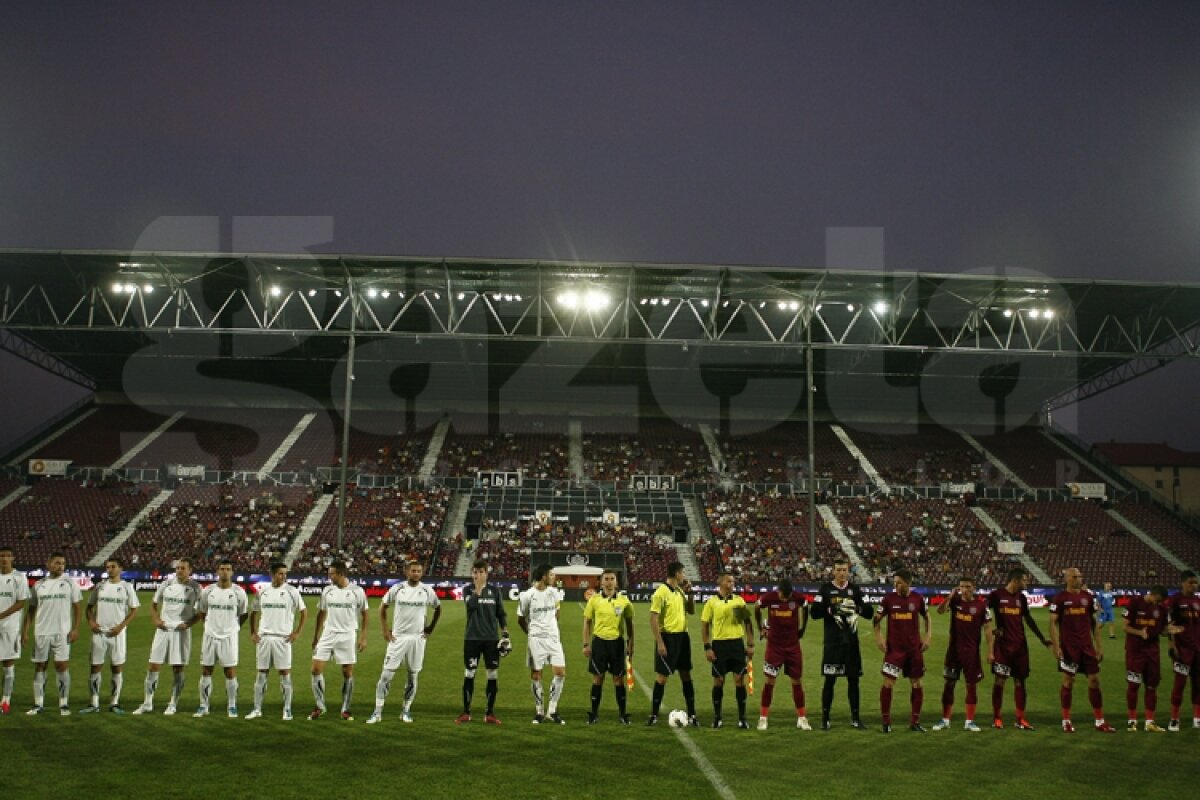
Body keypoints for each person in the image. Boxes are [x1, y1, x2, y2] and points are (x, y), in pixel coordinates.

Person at [367, 559, 441, 724]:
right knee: (386, 676)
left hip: (417, 638)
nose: (416, 574)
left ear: (422, 573)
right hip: (398, 637)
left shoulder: (427, 590)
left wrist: (430, 628)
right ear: (407, 572)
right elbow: (383, 607)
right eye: (413, 571)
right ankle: (377, 712)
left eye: (419, 571)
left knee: (413, 677)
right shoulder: (397, 588)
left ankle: (406, 711)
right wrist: (385, 629)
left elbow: (438, 608)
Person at [1048, 567, 1116, 733]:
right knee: (1068, 682)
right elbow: (1052, 623)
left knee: (1094, 681)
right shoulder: (1060, 598)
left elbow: (1094, 623)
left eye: (1080, 576)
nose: (1080, 579)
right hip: (1069, 648)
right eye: (1076, 576)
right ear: (1068, 579)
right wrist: (1057, 647)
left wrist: (1099, 647)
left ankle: (1099, 721)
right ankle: (1066, 721)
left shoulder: (1088, 598)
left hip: (1087, 647)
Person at [809, 558, 872, 730]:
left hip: (851, 644)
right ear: (833, 571)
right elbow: (814, 613)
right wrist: (831, 609)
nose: (842, 573)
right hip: (833, 643)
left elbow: (869, 612)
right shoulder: (826, 589)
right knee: (830, 681)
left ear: (848, 571)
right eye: (839, 570)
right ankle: (825, 718)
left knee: (854, 681)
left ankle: (855, 718)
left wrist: (856, 608)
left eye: (845, 570)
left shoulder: (855, 590)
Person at [133, 558, 202, 715]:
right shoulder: (166, 584)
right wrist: (156, 619)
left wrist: (188, 624)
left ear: (190, 570)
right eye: (177, 568)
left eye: (183, 568)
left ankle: (173, 703)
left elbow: (201, 611)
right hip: (163, 629)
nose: (179, 571)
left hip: (181, 632)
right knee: (153, 666)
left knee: (178, 668)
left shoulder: (196, 588)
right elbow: (153, 603)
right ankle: (147, 702)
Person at [987, 568, 1050, 730]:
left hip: (1020, 646)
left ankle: (1020, 719)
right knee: (1000, 680)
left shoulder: (1021, 598)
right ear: (1015, 580)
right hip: (1002, 646)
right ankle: (997, 717)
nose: (1027, 582)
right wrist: (993, 628)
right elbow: (983, 613)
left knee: (1020, 682)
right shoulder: (996, 595)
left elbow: (1028, 619)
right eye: (1024, 580)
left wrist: (1042, 638)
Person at [246, 561, 307, 720]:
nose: (284, 576)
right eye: (280, 573)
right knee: (261, 675)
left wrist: (296, 633)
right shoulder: (263, 591)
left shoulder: (292, 591)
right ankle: (257, 709)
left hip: (283, 639)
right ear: (272, 574)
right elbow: (253, 612)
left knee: (285, 675)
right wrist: (253, 632)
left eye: (285, 574)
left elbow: (304, 612)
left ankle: (287, 710)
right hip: (264, 638)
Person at [22, 552, 81, 715]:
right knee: (40, 666)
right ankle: (38, 704)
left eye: (63, 563)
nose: (60, 566)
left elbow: (77, 607)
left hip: (62, 633)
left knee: (61, 666)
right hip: (41, 632)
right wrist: (25, 631)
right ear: (48, 564)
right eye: (57, 563)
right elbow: (31, 610)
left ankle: (63, 704)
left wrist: (76, 628)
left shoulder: (70, 583)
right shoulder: (39, 585)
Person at [873, 568, 931, 732]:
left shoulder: (918, 599)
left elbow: (927, 617)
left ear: (908, 583)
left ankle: (915, 722)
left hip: (914, 650)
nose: (896, 586)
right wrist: (879, 638)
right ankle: (886, 722)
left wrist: (928, 636)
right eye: (895, 583)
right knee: (888, 683)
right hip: (894, 650)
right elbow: (876, 619)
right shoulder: (888, 599)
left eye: (899, 583)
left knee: (917, 684)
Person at [308, 561, 368, 721]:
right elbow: (321, 612)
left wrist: (363, 637)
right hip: (328, 633)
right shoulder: (327, 590)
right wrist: (316, 636)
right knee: (315, 670)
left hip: (347, 635)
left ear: (341, 574)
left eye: (332, 574)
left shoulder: (357, 591)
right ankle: (320, 706)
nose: (329, 576)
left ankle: (345, 709)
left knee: (347, 672)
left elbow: (365, 613)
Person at [932, 576, 993, 732]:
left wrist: (990, 651)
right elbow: (939, 611)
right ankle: (945, 719)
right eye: (961, 586)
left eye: (967, 586)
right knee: (949, 684)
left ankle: (970, 721)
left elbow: (987, 629)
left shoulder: (981, 606)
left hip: (971, 652)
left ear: (973, 587)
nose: (964, 589)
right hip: (953, 651)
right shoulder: (955, 601)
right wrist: (950, 596)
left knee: (971, 686)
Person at [81, 557, 140, 714]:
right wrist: (92, 622)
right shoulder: (100, 586)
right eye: (107, 567)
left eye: (113, 566)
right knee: (95, 668)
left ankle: (114, 702)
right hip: (99, 633)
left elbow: (134, 609)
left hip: (117, 634)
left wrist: (121, 626)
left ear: (120, 568)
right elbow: (89, 607)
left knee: (117, 668)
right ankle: (94, 703)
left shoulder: (127, 587)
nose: (110, 569)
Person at [753, 577, 810, 730]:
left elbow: (806, 607)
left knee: (796, 682)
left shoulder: (798, 598)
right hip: (774, 647)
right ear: (778, 591)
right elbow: (756, 607)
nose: (784, 599)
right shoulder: (769, 597)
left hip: (792, 647)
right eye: (782, 596)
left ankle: (802, 718)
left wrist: (803, 629)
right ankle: (763, 718)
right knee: (769, 682)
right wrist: (760, 628)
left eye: (787, 597)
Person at [193, 560, 249, 718]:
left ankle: (232, 705)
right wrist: (209, 625)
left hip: (229, 637)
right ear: (217, 571)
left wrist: (234, 627)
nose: (225, 572)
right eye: (222, 569)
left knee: (230, 672)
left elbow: (244, 614)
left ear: (232, 572)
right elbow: (202, 611)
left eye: (228, 569)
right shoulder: (208, 591)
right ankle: (203, 706)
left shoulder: (239, 592)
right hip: (210, 635)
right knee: (206, 671)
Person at [456, 559, 509, 725]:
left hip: (491, 639)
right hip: (472, 638)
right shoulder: (467, 590)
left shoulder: (495, 591)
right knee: (469, 673)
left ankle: (490, 713)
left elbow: (500, 613)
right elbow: (470, 606)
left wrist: (505, 632)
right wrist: (478, 589)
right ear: (472, 573)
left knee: (492, 675)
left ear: (487, 573)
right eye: (475, 572)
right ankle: (466, 712)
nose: (477, 575)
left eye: (481, 572)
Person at [701, 571, 755, 729]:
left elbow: (747, 622)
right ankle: (717, 717)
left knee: (739, 681)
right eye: (729, 581)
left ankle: (742, 718)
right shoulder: (711, 603)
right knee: (719, 681)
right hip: (719, 645)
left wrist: (750, 644)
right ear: (721, 583)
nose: (732, 584)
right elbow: (705, 626)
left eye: (733, 582)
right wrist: (707, 647)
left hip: (736, 644)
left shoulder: (738, 601)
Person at [647, 561, 697, 726]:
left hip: (683, 638)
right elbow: (653, 618)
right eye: (682, 573)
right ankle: (653, 715)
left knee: (686, 675)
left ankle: (692, 715)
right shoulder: (661, 592)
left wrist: (690, 594)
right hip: (668, 638)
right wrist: (660, 642)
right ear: (676, 574)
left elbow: (691, 611)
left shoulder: (680, 591)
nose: (684, 576)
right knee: (662, 677)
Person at [582, 568, 634, 725]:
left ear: (616, 582)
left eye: (612, 579)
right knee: (598, 678)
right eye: (607, 579)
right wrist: (586, 644)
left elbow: (630, 626)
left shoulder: (624, 601)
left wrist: (631, 645)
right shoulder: (594, 600)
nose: (609, 582)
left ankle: (623, 714)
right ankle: (594, 714)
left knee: (618, 679)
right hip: (599, 643)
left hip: (617, 643)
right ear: (601, 582)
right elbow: (587, 623)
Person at [1122, 585, 1176, 732]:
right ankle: (1132, 721)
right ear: (1152, 594)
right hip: (1135, 651)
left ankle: (1149, 722)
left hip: (1152, 652)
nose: (1158, 604)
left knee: (1152, 686)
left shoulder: (1162, 609)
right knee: (1133, 685)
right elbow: (1125, 627)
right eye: (1157, 600)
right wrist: (1140, 633)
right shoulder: (1134, 603)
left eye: (1161, 602)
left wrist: (1170, 630)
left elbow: (1164, 630)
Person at [519, 564, 567, 724]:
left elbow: (558, 613)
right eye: (551, 575)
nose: (554, 578)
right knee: (536, 674)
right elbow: (520, 618)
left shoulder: (554, 593)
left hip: (553, 639)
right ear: (543, 576)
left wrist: (550, 627)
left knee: (560, 672)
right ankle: (539, 712)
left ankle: (552, 711)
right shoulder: (527, 595)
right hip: (536, 640)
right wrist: (531, 633)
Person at [1164, 569, 1200, 731]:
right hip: (1182, 650)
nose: (1194, 586)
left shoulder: (1198, 601)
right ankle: (1174, 719)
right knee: (1180, 685)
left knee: (1198, 684)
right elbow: (1167, 625)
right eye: (1190, 582)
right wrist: (1172, 646)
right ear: (1183, 583)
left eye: (1195, 582)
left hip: (1198, 650)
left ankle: (1197, 718)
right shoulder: (1175, 600)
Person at [0, 544, 30, 715]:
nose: (4, 558)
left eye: (7, 556)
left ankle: (6, 700)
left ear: (12, 558)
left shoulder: (19, 577)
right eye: (1, 555)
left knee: (8, 664)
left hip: (10, 628)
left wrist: (1, 615)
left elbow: (20, 602)